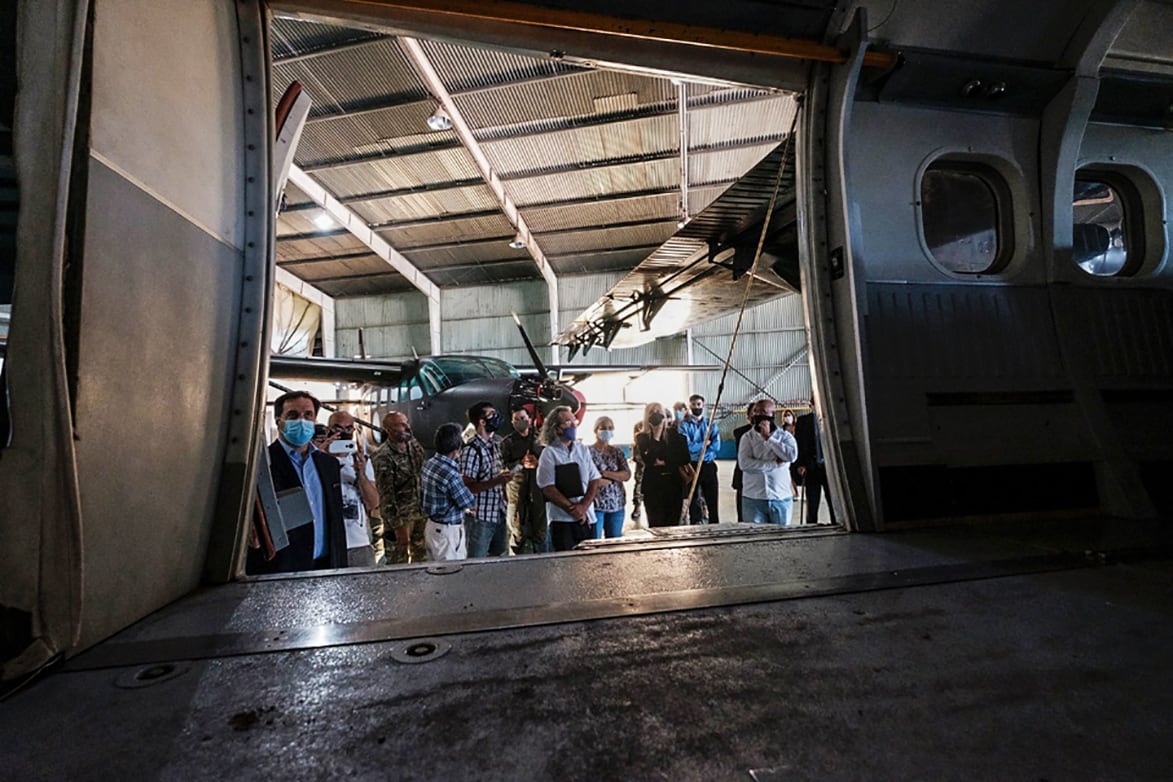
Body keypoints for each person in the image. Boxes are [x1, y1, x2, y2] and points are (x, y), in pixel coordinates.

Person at [247, 390, 346, 574]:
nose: (302, 420)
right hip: (281, 568)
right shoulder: (261, 464)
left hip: (326, 567)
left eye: (308, 415)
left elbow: (335, 520)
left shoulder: (328, 464)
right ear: (279, 421)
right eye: (293, 415)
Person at [536, 406, 602, 551]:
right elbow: (548, 488)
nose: (573, 425)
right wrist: (573, 510)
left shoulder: (582, 449)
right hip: (562, 519)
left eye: (574, 421)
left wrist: (583, 507)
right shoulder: (549, 453)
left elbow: (594, 479)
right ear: (557, 428)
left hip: (587, 517)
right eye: (567, 422)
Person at [371, 411, 428, 564]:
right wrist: (397, 526)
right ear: (389, 429)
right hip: (400, 518)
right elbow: (386, 495)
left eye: (406, 423)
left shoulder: (413, 446)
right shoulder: (383, 456)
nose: (407, 427)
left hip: (420, 513)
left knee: (421, 558)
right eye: (400, 425)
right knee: (398, 561)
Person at [325, 411, 380, 568]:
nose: (343, 433)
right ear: (328, 430)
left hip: (358, 544)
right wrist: (322, 456)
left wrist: (360, 473)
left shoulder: (361, 461)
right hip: (329, 544)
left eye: (348, 428)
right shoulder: (317, 459)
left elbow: (373, 503)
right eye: (337, 428)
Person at [460, 401, 513, 558]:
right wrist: (497, 481)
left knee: (498, 555)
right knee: (476, 559)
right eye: (491, 415)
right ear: (481, 422)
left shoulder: (495, 445)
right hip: (481, 516)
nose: (496, 418)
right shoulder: (472, 450)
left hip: (498, 512)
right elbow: (467, 486)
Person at [738, 398, 799, 526]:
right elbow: (744, 464)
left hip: (780, 497)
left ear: (773, 414)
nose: (759, 415)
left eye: (764, 412)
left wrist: (769, 438)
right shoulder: (747, 438)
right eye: (756, 412)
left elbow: (791, 456)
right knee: (755, 538)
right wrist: (774, 464)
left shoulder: (785, 436)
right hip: (753, 498)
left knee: (781, 537)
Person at [420, 423, 475, 561]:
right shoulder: (450, 473)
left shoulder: (429, 463)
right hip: (447, 532)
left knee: (436, 571)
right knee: (451, 575)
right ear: (457, 450)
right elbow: (468, 501)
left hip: (432, 526)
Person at [633, 402, 690, 527]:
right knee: (656, 523)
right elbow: (649, 461)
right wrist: (656, 436)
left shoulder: (674, 435)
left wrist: (664, 461)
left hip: (674, 485)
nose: (656, 415)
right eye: (652, 412)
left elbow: (684, 458)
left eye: (659, 412)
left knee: (673, 523)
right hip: (653, 487)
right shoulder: (642, 438)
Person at [500, 407, 547, 554]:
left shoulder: (540, 440)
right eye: (517, 419)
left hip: (538, 492)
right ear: (512, 422)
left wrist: (538, 463)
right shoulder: (507, 443)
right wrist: (520, 463)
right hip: (516, 492)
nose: (521, 421)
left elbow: (550, 462)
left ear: (530, 419)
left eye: (524, 418)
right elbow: (502, 468)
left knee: (540, 533)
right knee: (517, 531)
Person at [678, 393, 721, 524]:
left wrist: (701, 449)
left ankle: (714, 522)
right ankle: (695, 522)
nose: (696, 407)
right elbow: (687, 447)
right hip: (692, 466)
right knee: (693, 498)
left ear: (703, 405)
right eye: (693, 405)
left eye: (699, 404)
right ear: (689, 406)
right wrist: (704, 444)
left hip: (707, 464)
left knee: (712, 498)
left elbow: (716, 446)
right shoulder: (683, 425)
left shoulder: (711, 424)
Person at [794, 395, 836, 525]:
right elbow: (799, 444)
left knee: (833, 501)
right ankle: (811, 526)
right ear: (810, 405)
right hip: (811, 467)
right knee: (812, 502)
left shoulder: (832, 420)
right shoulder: (803, 421)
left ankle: (837, 523)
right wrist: (799, 464)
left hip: (830, 468)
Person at [588, 416, 631, 539]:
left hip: (617, 504)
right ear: (596, 430)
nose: (607, 431)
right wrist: (616, 477)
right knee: (594, 540)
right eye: (603, 428)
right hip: (596, 504)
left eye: (610, 428)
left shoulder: (617, 452)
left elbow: (626, 475)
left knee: (614, 542)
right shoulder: (588, 451)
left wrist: (605, 474)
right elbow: (590, 479)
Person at [730, 402, 758, 523]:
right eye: (754, 412)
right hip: (743, 477)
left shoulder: (773, 433)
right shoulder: (740, 433)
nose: (757, 415)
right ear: (748, 416)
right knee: (743, 514)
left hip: (762, 479)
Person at [630, 420, 645, 523]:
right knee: (638, 487)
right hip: (641, 471)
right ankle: (637, 506)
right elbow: (637, 457)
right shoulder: (636, 445)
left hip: (650, 471)